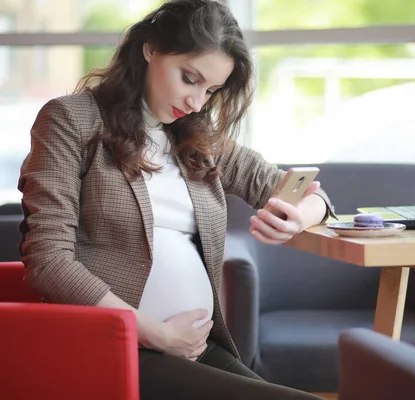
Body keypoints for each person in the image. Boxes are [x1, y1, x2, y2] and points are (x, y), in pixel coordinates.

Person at [17, 1, 335, 399]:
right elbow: (48, 261)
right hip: (114, 345)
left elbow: (310, 194)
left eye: (211, 90)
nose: (197, 102)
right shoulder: (70, 119)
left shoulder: (196, 138)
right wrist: (154, 333)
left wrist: (298, 217)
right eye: (189, 78)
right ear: (151, 49)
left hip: (192, 348)